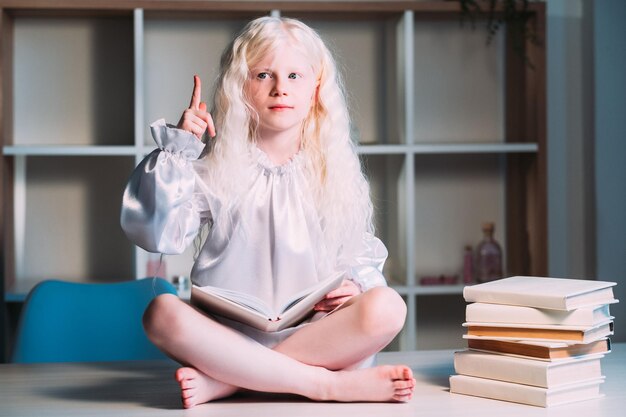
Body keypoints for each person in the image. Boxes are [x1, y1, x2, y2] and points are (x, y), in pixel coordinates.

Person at [121, 16, 414, 408]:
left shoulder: (333, 171)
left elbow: (358, 255)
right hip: (226, 338)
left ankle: (229, 382)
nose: (280, 88)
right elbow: (157, 234)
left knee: (387, 306)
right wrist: (178, 150)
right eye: (263, 75)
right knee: (161, 313)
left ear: (316, 89)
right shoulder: (216, 167)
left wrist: (357, 285)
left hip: (313, 338)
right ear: (241, 86)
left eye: (295, 76)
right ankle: (324, 386)